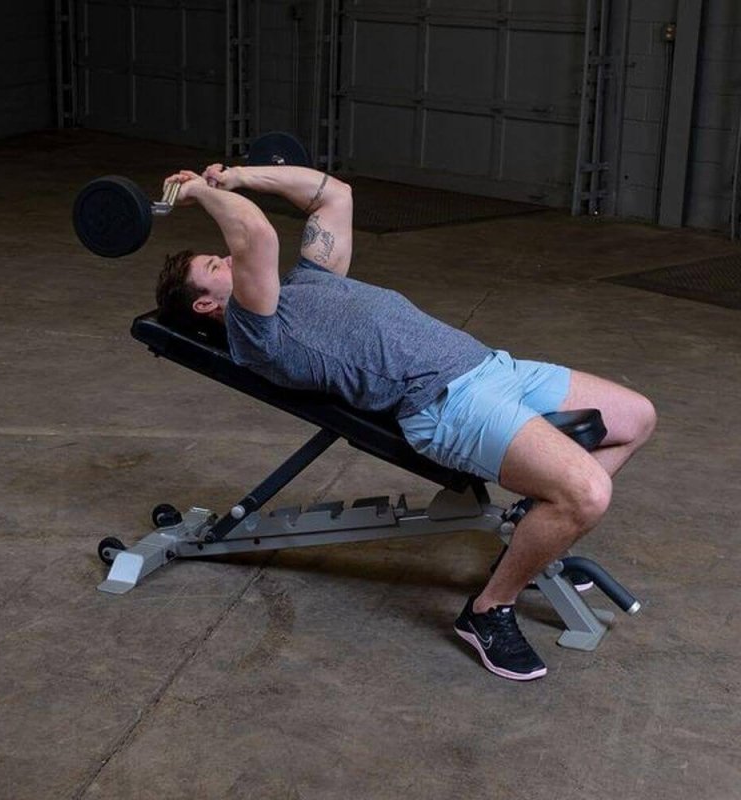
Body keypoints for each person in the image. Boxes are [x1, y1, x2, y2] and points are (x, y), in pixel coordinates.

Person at [155, 164, 656, 682]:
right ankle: (488, 611)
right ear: (206, 303)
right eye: (215, 264)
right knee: (588, 494)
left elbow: (334, 196)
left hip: (492, 366)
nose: (226, 258)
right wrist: (199, 192)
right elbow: (254, 235)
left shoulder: (307, 281)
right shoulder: (255, 331)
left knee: (637, 417)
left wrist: (239, 176)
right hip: (445, 405)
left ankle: (532, 532)